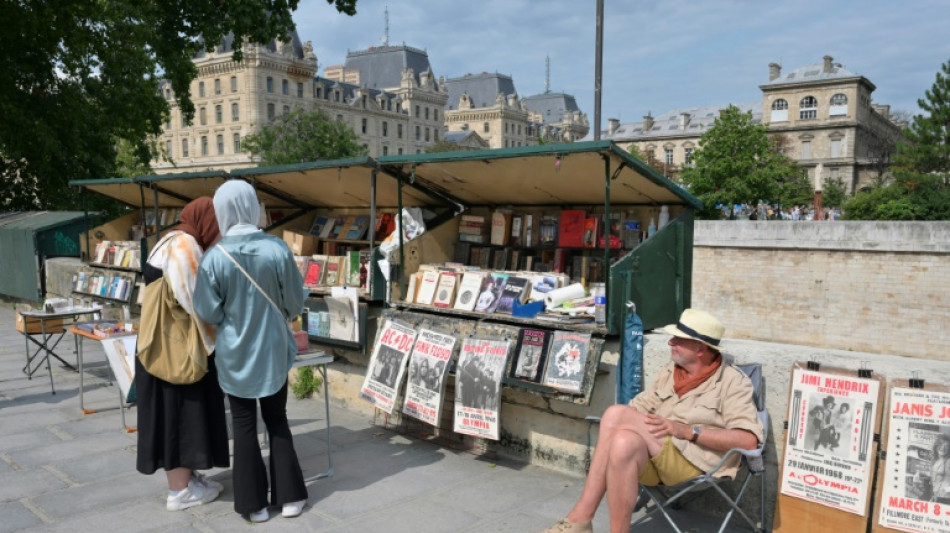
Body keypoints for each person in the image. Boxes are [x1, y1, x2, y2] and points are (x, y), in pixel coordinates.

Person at [539, 309, 763, 533]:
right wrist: (628, 423)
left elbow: (748, 440)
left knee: (615, 415)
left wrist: (687, 431)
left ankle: (581, 518)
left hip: (695, 460)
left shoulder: (733, 382)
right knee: (623, 442)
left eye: (679, 339)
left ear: (701, 348)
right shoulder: (671, 372)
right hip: (657, 452)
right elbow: (639, 408)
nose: (670, 342)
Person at [193, 180, 308, 523]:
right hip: (273, 348)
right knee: (277, 419)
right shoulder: (277, 249)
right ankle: (289, 499)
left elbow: (208, 312)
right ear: (252, 205)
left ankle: (252, 504)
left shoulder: (214, 257)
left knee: (243, 425)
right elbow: (293, 302)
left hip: (234, 354)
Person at [135, 197, 229, 511]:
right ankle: (180, 491)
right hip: (176, 352)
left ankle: (187, 479)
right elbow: (197, 302)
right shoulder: (186, 247)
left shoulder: (168, 239)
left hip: (161, 347)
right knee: (179, 417)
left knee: (174, 415)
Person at [932, 434, 950, 504]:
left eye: (946, 446)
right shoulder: (936, 462)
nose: (943, 448)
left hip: (946, 499)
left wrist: (946, 491)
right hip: (937, 497)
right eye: (941, 445)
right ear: (936, 446)